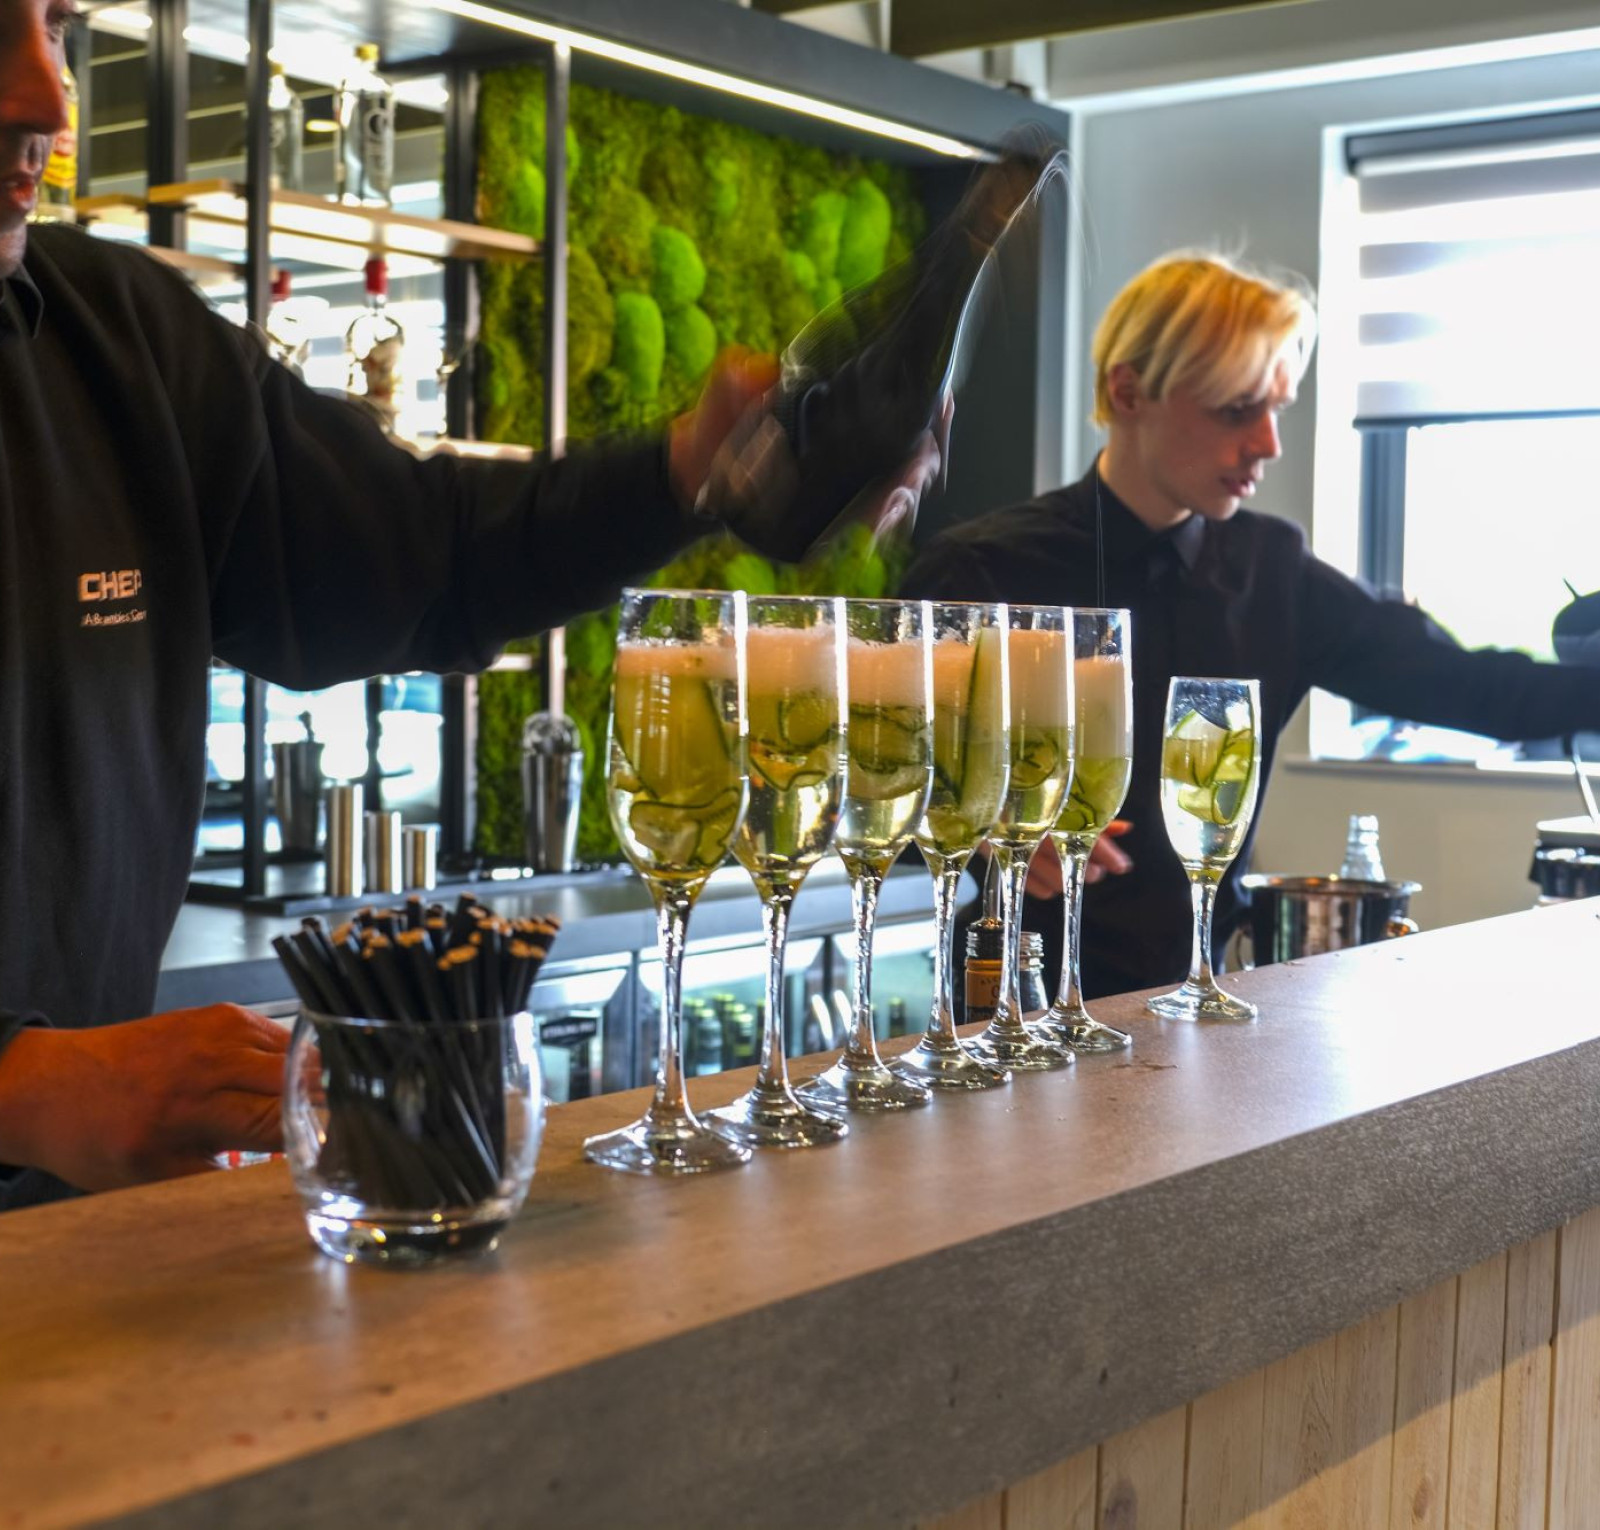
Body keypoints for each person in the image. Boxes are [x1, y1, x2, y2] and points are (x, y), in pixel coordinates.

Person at [0, 0, 944, 1208]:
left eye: (60, 23)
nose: (49, 98)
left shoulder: (116, 343)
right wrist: (18, 1087)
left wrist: (694, 467)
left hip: (81, 1264)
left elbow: (421, 556)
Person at [901, 249, 1600, 999]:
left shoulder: (1276, 569)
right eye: (1237, 410)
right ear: (1128, 390)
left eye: (1276, 410)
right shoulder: (981, 571)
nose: (1268, 443)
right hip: (1008, 1008)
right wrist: (974, 830)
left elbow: (1475, 690)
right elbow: (878, 782)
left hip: (1201, 1010)